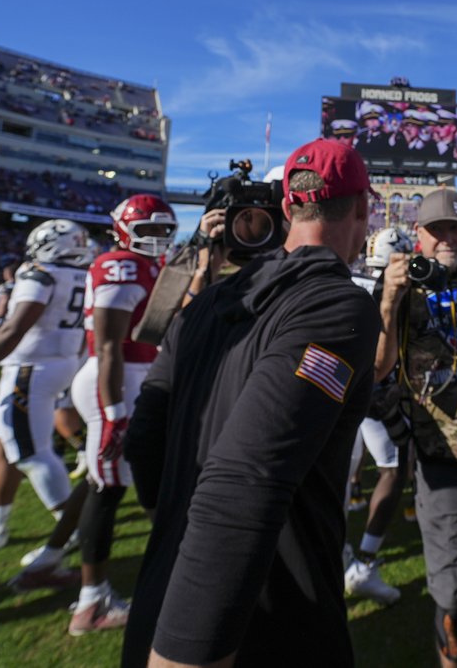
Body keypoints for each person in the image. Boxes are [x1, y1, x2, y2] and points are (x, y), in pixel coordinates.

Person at [121, 138, 379, 668]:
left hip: (167, 586)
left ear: (287, 208)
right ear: (363, 207)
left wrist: (172, 520)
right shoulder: (336, 304)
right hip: (256, 618)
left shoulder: (209, 302)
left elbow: (145, 432)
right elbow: (246, 479)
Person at [378, 187, 457, 667]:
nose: (447, 238)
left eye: (456, 228)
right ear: (419, 236)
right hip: (445, 463)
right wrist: (389, 300)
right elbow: (376, 368)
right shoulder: (403, 284)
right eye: (437, 230)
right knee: (456, 601)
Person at [0, 219, 94, 592]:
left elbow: (14, 327)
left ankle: (73, 530)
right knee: (5, 446)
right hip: (56, 364)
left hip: (31, 369)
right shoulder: (83, 275)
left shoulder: (40, 274)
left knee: (31, 453)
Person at [65, 193, 175, 636]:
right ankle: (91, 604)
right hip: (115, 382)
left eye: (164, 230)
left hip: (135, 378)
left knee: (128, 481)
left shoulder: (148, 265)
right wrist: (113, 414)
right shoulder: (118, 264)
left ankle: (54, 558)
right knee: (106, 489)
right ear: (123, 229)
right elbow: (109, 345)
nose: (157, 239)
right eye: (147, 230)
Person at [343, 225, 417, 606]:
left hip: (338, 389)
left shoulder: (347, 279)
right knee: (392, 467)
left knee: (338, 476)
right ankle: (363, 562)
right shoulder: (388, 289)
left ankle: (344, 559)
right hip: (372, 390)